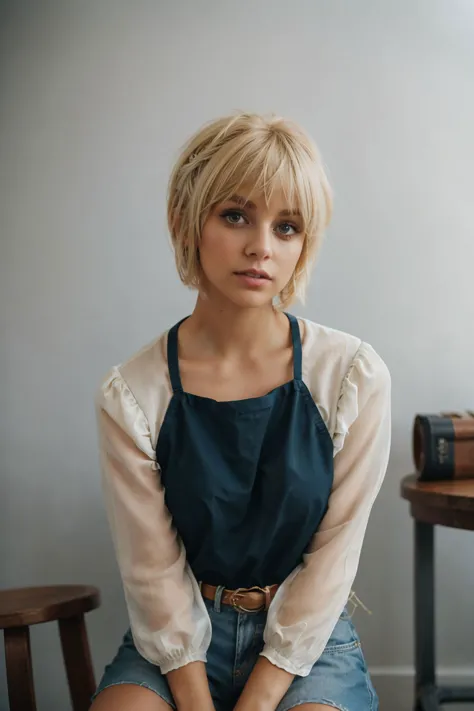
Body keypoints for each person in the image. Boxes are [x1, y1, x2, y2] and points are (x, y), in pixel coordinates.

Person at [91, 112, 391, 711]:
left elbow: (333, 559)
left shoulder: (351, 376)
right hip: (174, 642)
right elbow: (152, 572)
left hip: (309, 640)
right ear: (185, 219)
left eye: (287, 227)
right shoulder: (133, 393)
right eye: (235, 216)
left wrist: (257, 701)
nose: (261, 247)